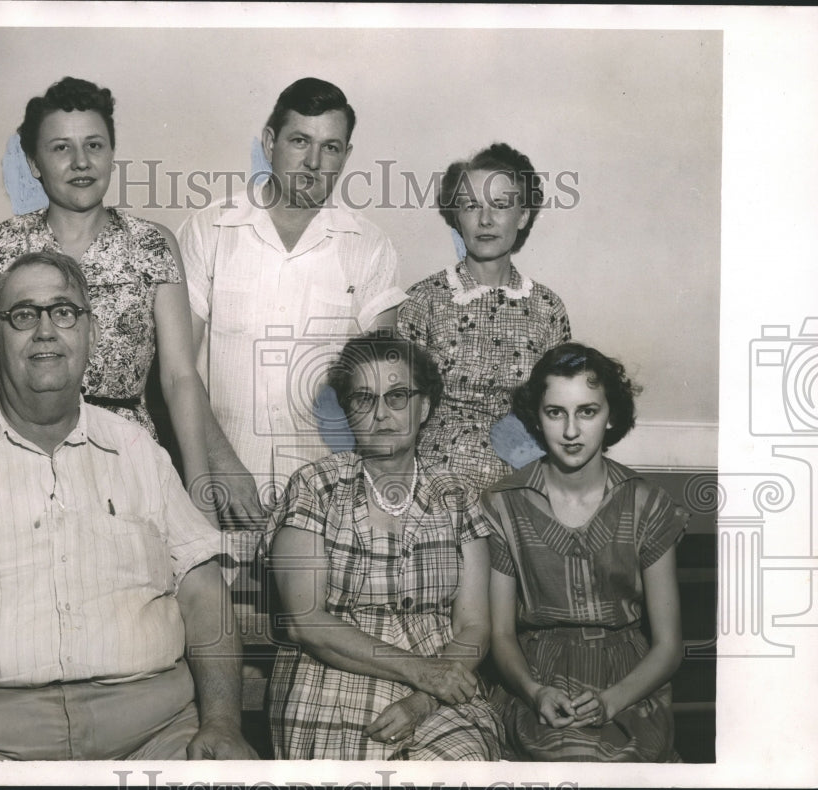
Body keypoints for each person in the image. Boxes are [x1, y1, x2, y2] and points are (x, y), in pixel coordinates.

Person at [0, 252, 256, 761]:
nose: (46, 330)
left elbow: (203, 594)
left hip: (155, 737)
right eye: (24, 315)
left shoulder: (138, 450)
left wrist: (222, 722)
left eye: (64, 311)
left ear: (89, 334)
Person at [0, 76, 213, 517]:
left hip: (124, 459)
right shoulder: (0, 246)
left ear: (112, 154)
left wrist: (200, 492)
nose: (80, 162)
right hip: (16, 452)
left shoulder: (152, 244)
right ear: (34, 162)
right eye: (60, 148)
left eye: (94, 145)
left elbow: (180, 378)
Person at [265, 332, 504, 760]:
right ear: (346, 410)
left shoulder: (457, 494)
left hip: (442, 689)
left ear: (424, 406)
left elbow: (474, 627)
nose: (380, 414)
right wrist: (420, 672)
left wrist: (426, 697)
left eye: (397, 396)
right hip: (330, 681)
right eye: (363, 399)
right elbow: (304, 623)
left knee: (465, 768)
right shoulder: (315, 487)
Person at [180, 77, 407, 528]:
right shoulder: (210, 230)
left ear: (346, 156)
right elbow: (177, 370)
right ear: (270, 142)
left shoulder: (370, 248)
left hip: (329, 499)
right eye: (300, 141)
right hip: (216, 485)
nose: (313, 162)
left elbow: (377, 392)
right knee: (221, 600)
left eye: (331, 148)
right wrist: (221, 464)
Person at [481, 343, 686, 761]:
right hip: (533, 674)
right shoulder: (503, 505)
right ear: (537, 419)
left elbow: (669, 645)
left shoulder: (647, 504)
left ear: (611, 417)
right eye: (555, 412)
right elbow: (501, 634)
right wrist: (534, 692)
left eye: (587, 411)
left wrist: (612, 701)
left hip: (629, 679)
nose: (571, 431)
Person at [397, 142, 571, 492]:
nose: (485, 220)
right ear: (457, 216)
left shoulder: (548, 308)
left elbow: (558, 409)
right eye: (471, 206)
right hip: (434, 480)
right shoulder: (423, 300)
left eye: (501, 205)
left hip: (521, 481)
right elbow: (401, 405)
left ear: (522, 216)